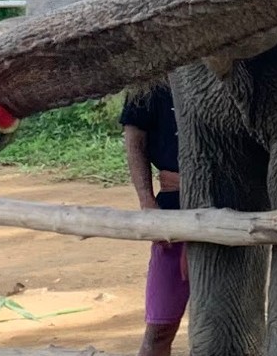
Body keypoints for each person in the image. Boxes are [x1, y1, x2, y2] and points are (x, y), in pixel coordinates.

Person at [119, 85, 186, 356]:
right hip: (171, 213)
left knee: (220, 324)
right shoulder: (150, 79)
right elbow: (135, 138)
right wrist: (147, 202)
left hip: (228, 204)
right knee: (160, 328)